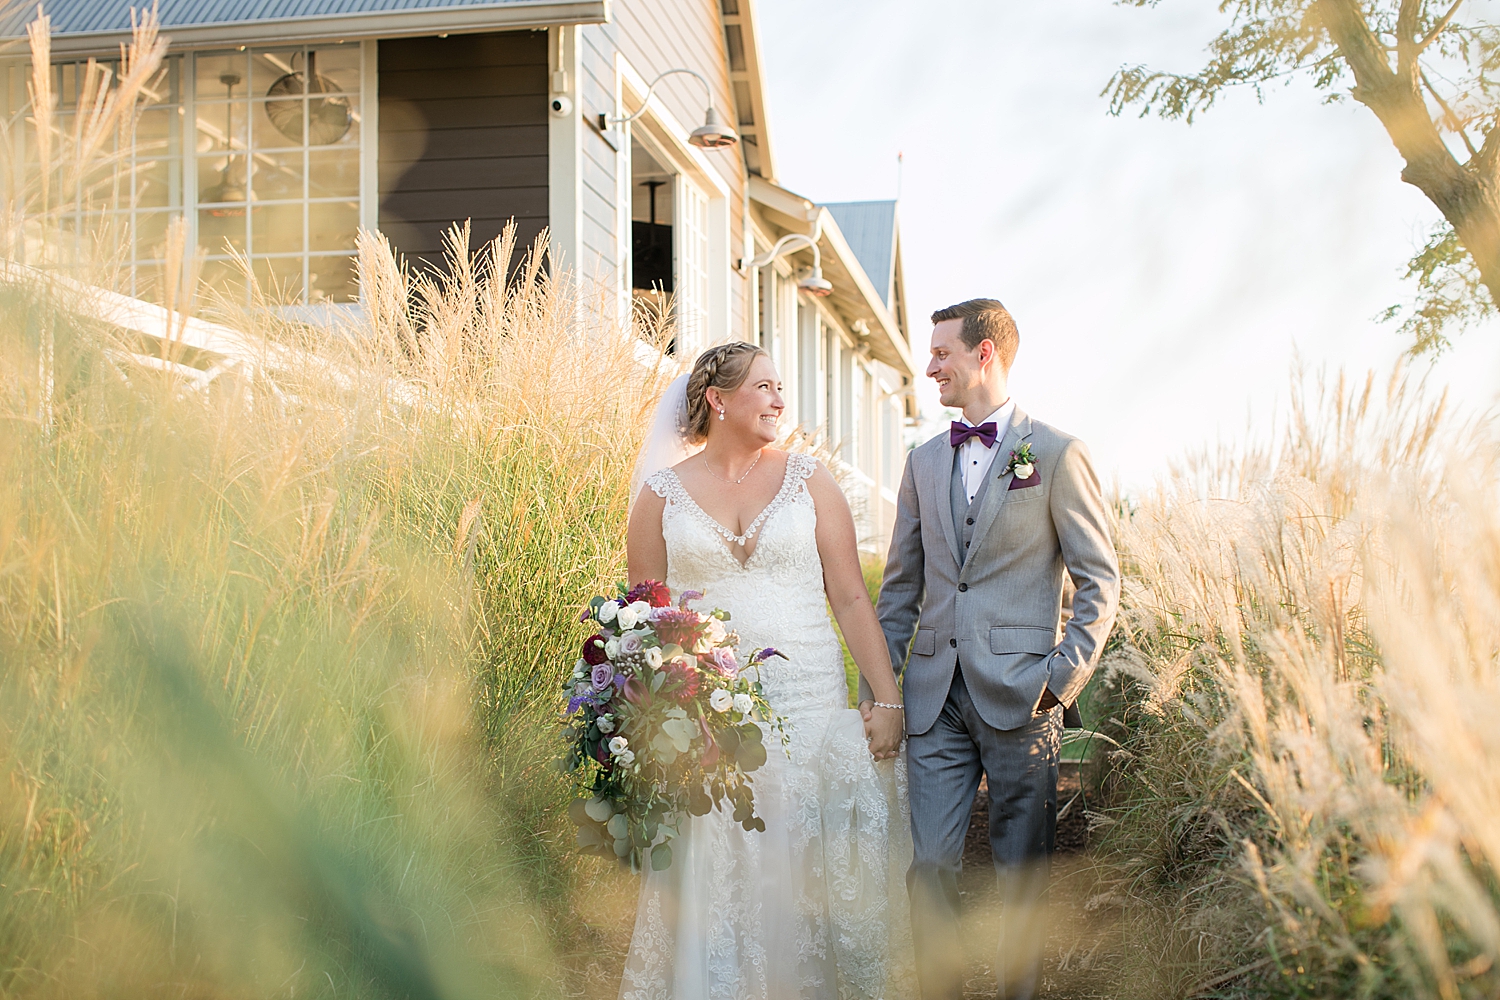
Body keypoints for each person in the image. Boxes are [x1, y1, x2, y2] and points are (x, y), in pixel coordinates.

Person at [620, 341, 915, 1000]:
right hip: (714, 717)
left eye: (781, 387)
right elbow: (646, 619)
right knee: (728, 869)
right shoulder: (660, 496)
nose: (780, 400)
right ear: (718, 400)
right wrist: (663, 716)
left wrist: (888, 701)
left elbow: (849, 598)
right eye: (765, 387)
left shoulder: (810, 479)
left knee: (810, 863)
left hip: (809, 705)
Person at [863, 299, 1120, 1000]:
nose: (928, 367)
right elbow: (899, 592)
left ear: (985, 354)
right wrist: (881, 692)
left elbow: (1101, 579)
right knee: (932, 869)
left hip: (1024, 692)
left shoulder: (1060, 454)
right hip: (933, 696)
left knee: (1021, 868)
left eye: (941, 352)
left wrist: (1062, 678)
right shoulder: (920, 462)